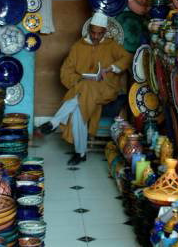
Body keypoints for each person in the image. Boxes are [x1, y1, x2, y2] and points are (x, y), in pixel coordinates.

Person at [40, 10, 132, 165]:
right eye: (94, 33)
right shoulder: (78, 46)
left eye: (100, 33)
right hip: (84, 90)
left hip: (105, 88)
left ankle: (55, 122)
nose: (96, 36)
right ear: (89, 30)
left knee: (83, 92)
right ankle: (80, 153)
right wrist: (78, 79)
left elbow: (127, 58)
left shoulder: (112, 45)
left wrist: (110, 69)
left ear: (105, 32)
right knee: (79, 108)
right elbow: (65, 71)